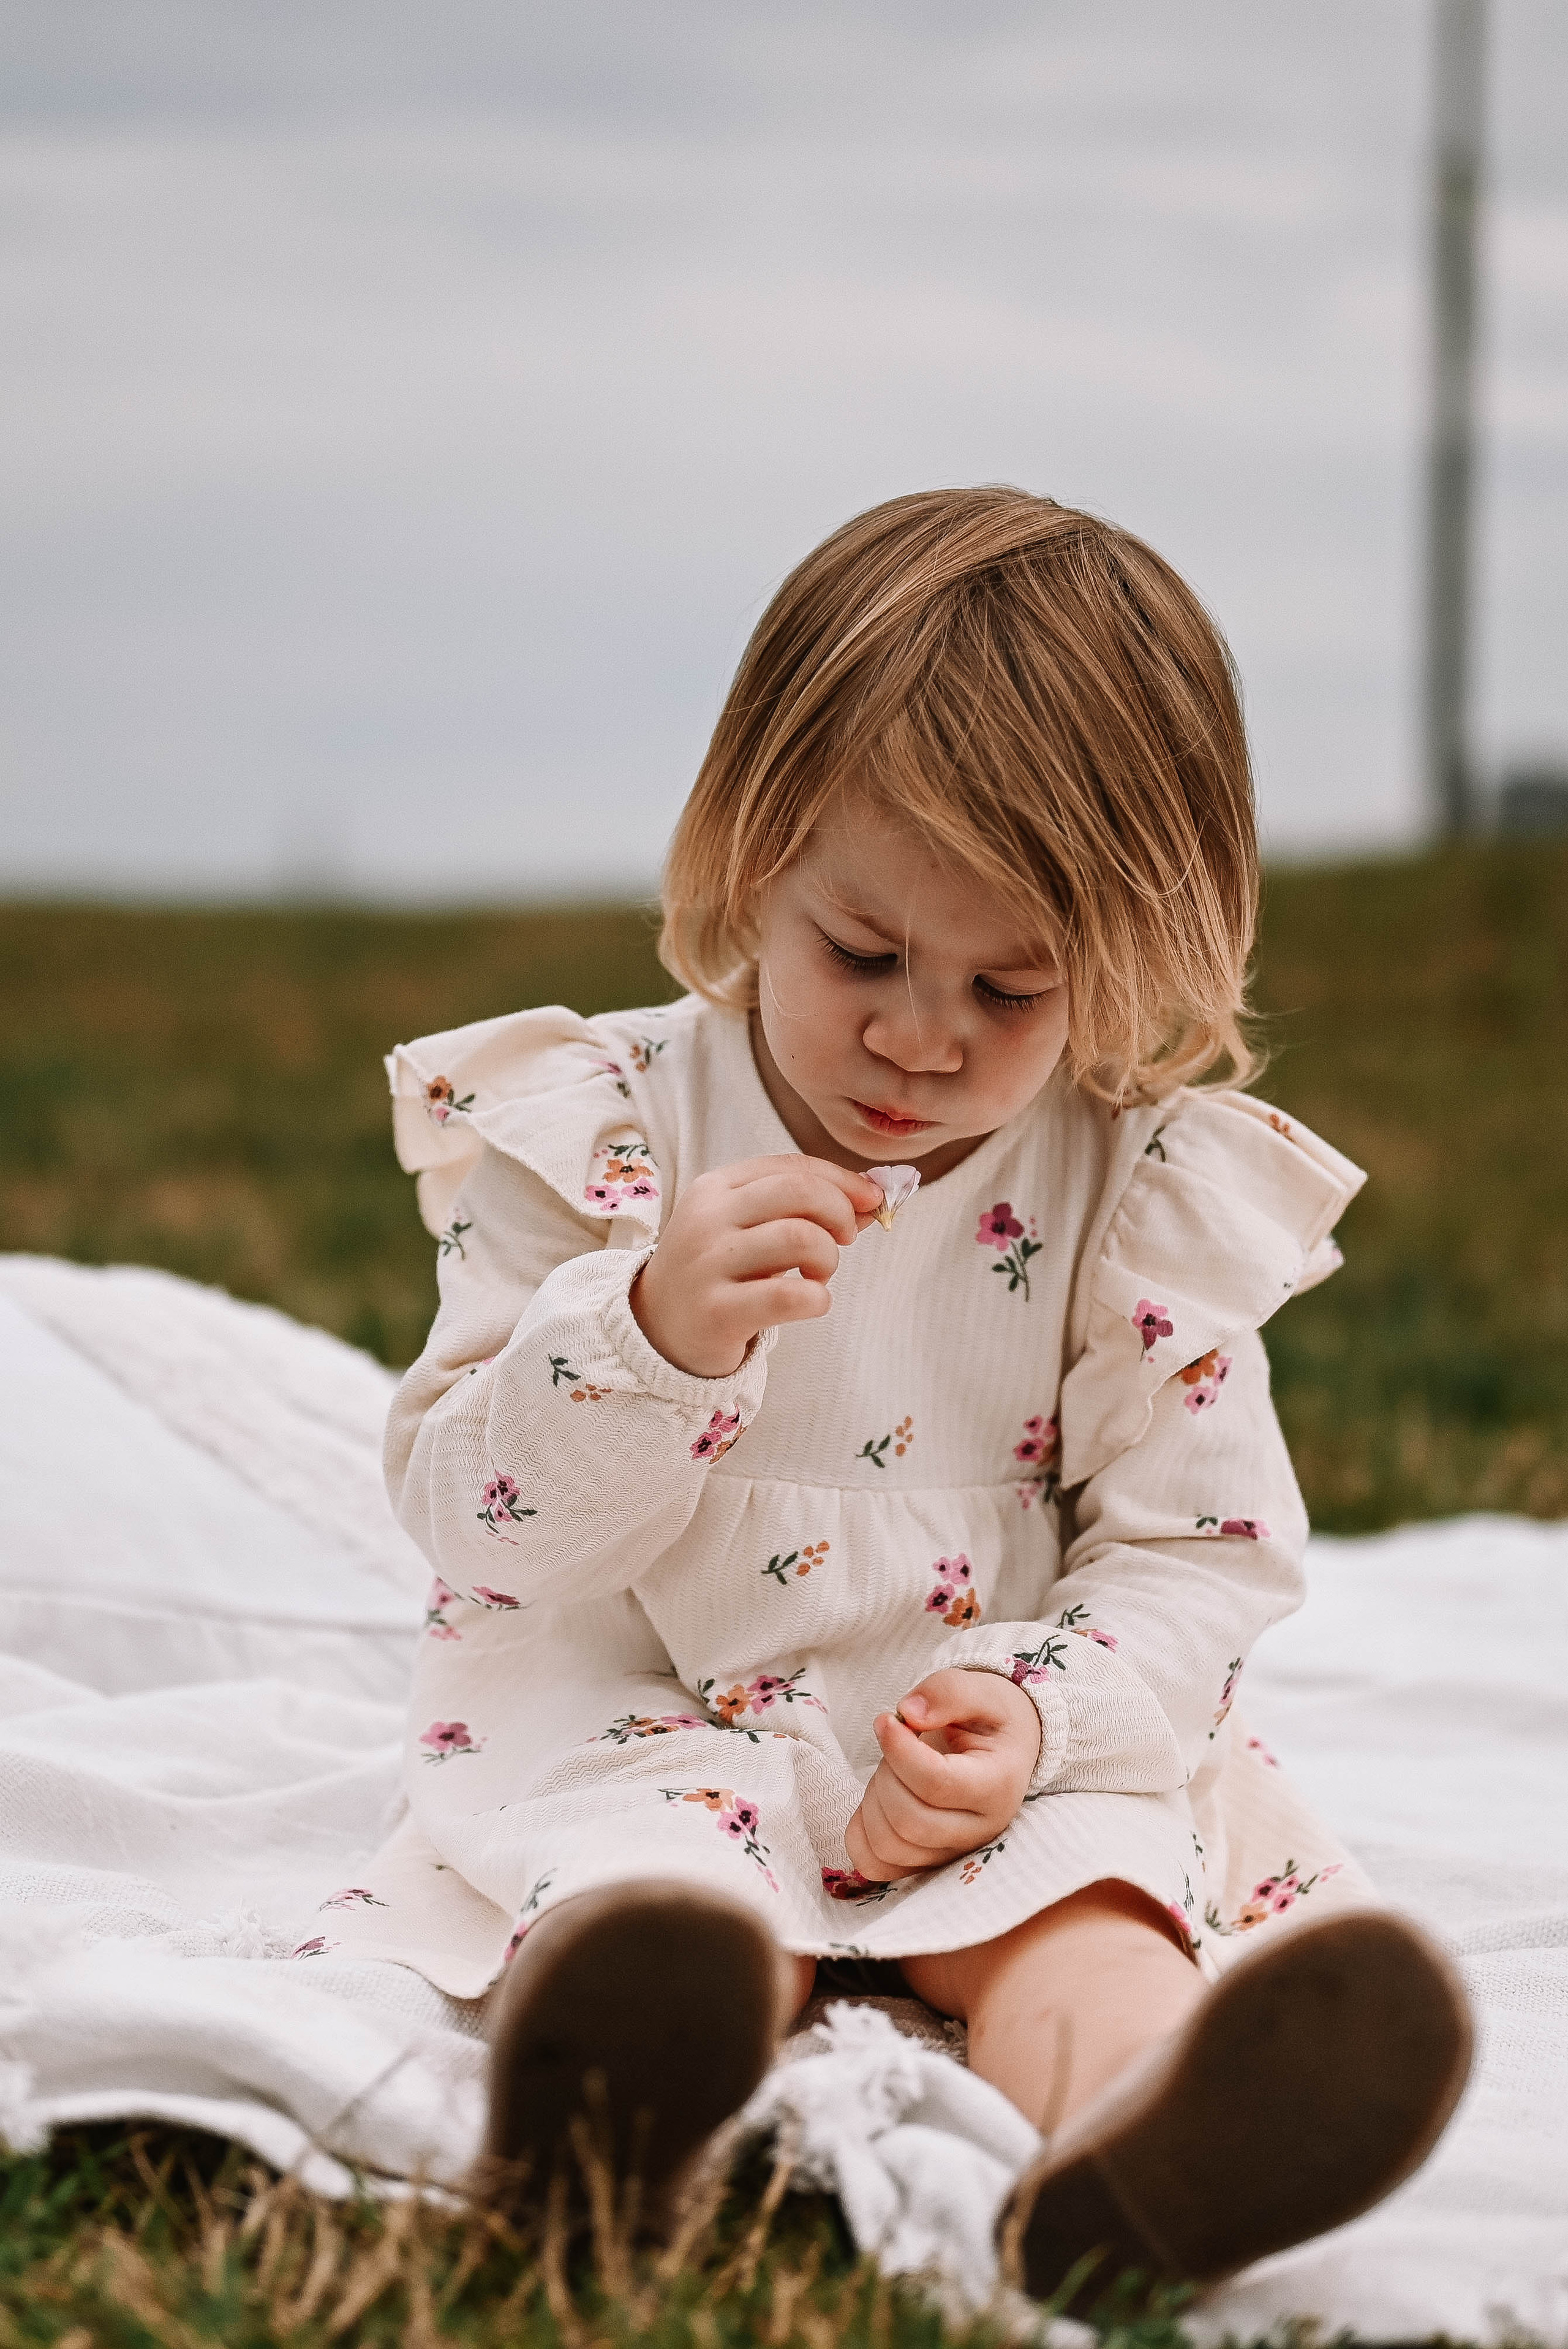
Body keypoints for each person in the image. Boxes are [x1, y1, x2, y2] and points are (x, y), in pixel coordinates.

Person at [322, 489, 1471, 2298]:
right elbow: (479, 1524)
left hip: (974, 1739)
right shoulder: (603, 1136)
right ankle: (617, 2114)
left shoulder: (1132, 1196)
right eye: (864, 955)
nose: (923, 1039)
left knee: (1093, 1903)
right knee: (663, 1892)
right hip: (654, 1704)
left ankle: (1148, 2154)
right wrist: (649, 1334)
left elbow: (1200, 1554)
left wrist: (1040, 1716)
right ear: (753, 854)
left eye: (1013, 988)